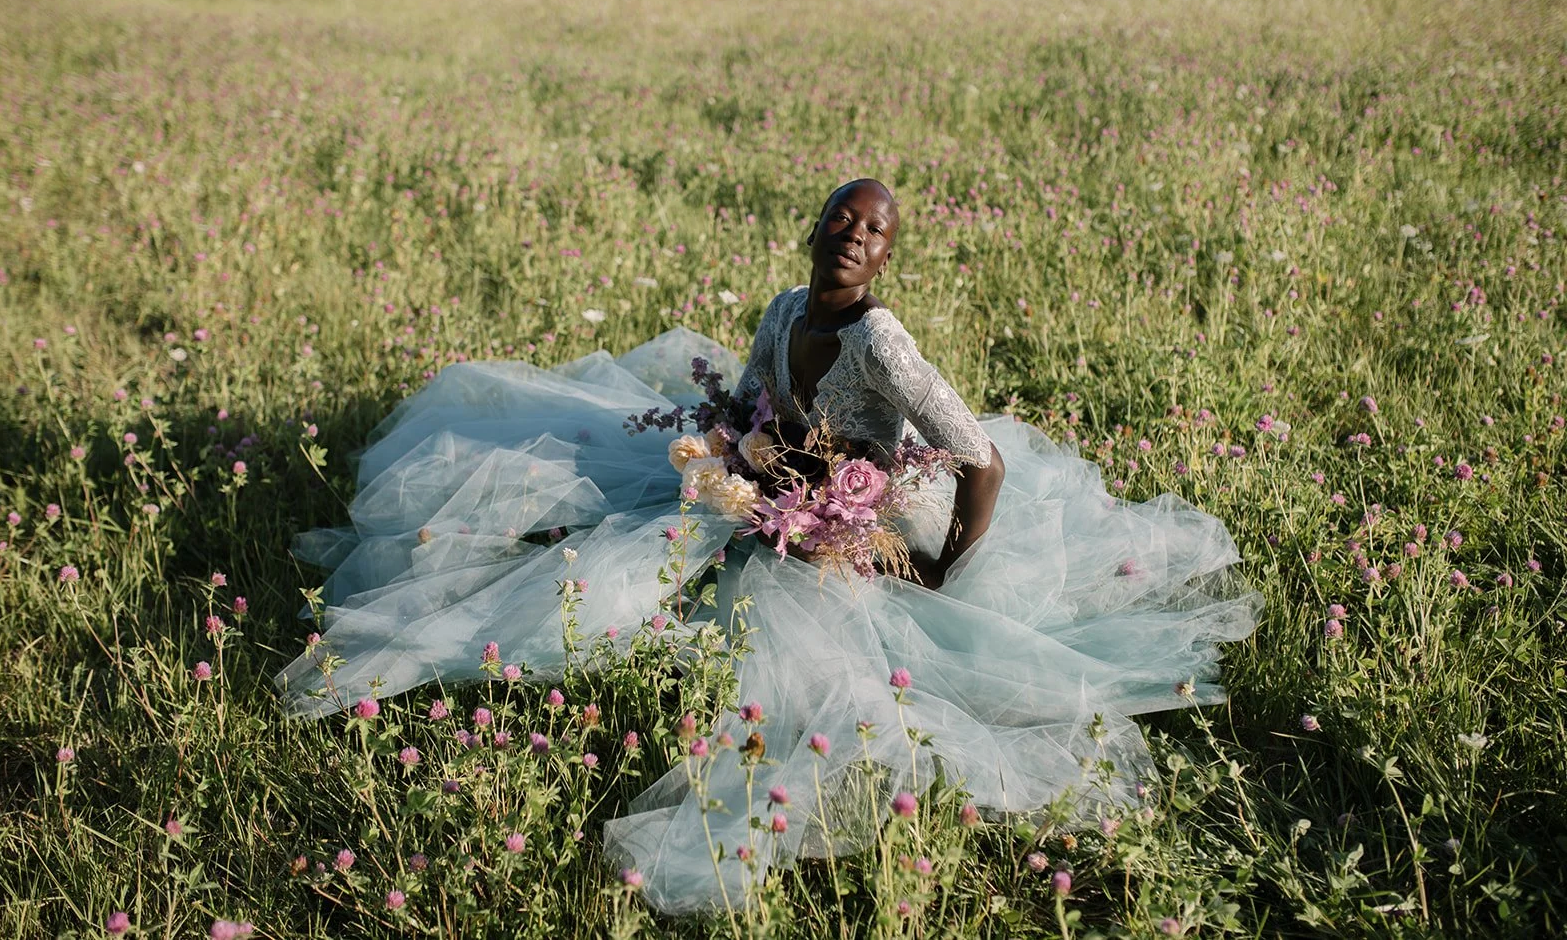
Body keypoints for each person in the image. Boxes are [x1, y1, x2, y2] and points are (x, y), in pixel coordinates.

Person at [275, 178, 1262, 915]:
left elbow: (981, 456)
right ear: (816, 229)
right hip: (778, 484)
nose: (852, 234)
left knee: (825, 676)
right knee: (615, 525)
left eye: (872, 230)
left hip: (864, 513)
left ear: (883, 260)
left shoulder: (884, 345)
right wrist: (730, 453)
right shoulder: (785, 310)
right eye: (841, 217)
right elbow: (750, 404)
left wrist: (933, 565)